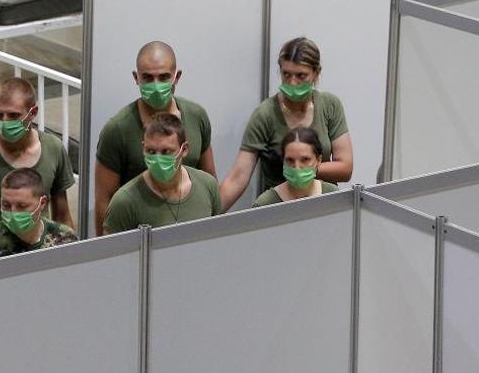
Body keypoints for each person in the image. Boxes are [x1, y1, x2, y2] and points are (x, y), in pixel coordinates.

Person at [93, 40, 216, 235]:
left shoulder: (196, 116)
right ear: (136, 78)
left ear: (177, 77)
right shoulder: (117, 130)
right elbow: (104, 199)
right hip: (139, 235)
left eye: (164, 77)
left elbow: (209, 179)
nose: (156, 86)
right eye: (148, 78)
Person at [0, 76, 75, 265]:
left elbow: (63, 214)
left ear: (32, 113)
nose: (5, 122)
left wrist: (71, 262)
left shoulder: (53, 149)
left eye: (14, 116)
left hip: (43, 257)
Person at [218, 36, 353, 211]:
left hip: (322, 207)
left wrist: (304, 168)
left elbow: (345, 167)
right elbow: (237, 178)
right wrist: (206, 221)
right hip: (278, 209)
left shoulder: (329, 106)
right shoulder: (265, 115)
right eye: (286, 74)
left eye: (301, 75)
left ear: (316, 73)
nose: (292, 82)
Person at [104, 112, 223, 233]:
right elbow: (109, 251)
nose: (158, 159)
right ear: (143, 148)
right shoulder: (124, 203)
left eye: (166, 151)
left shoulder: (208, 187)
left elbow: (220, 241)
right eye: (150, 151)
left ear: (184, 149)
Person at [0, 167, 79, 264]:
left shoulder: (65, 238)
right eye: (6, 205)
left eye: (22, 206)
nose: (13, 213)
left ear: (42, 203)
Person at [254, 127, 341, 206]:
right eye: (290, 160)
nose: (297, 167)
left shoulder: (333, 195)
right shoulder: (265, 204)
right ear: (283, 161)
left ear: (318, 160)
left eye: (305, 160)